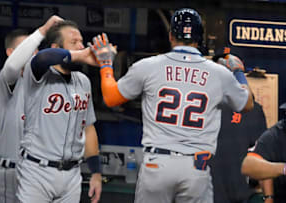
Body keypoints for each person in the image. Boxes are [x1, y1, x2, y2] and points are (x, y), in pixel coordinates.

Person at [89, 8, 254, 203]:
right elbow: (247, 104)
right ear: (199, 38)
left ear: (170, 36)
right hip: (196, 167)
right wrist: (238, 71)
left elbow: (111, 98)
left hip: (157, 164)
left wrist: (106, 64)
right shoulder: (219, 73)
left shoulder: (148, 65)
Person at [16, 20, 102, 203]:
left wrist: (96, 172)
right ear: (57, 47)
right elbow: (43, 57)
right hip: (37, 172)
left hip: (72, 175)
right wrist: (81, 55)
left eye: (81, 42)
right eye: (74, 42)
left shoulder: (83, 81)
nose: (81, 46)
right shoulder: (37, 74)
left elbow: (88, 128)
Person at [0, 16, 63, 203]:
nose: (34, 54)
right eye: (29, 49)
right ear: (11, 52)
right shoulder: (7, 81)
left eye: (36, 50)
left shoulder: (47, 84)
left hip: (41, 176)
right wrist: (43, 30)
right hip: (12, 172)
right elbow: (13, 65)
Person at [210, 50, 268, 203]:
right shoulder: (203, 105)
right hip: (205, 191)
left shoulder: (253, 110)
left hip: (239, 194)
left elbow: (260, 155)